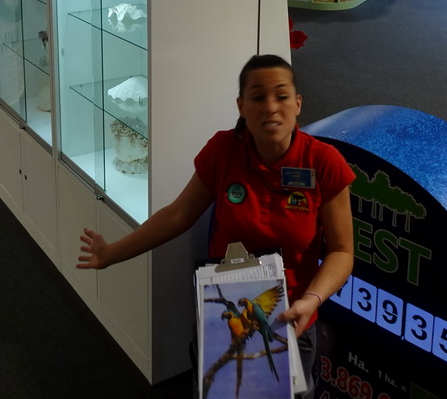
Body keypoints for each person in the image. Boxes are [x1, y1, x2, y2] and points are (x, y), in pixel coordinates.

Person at [77, 54, 355, 398]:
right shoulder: (223, 150)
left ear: (297, 104)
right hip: (222, 322)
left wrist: (312, 300)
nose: (271, 107)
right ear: (241, 105)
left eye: (282, 96)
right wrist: (111, 253)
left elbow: (342, 252)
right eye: (257, 96)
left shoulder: (324, 163)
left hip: (291, 325)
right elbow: (178, 215)